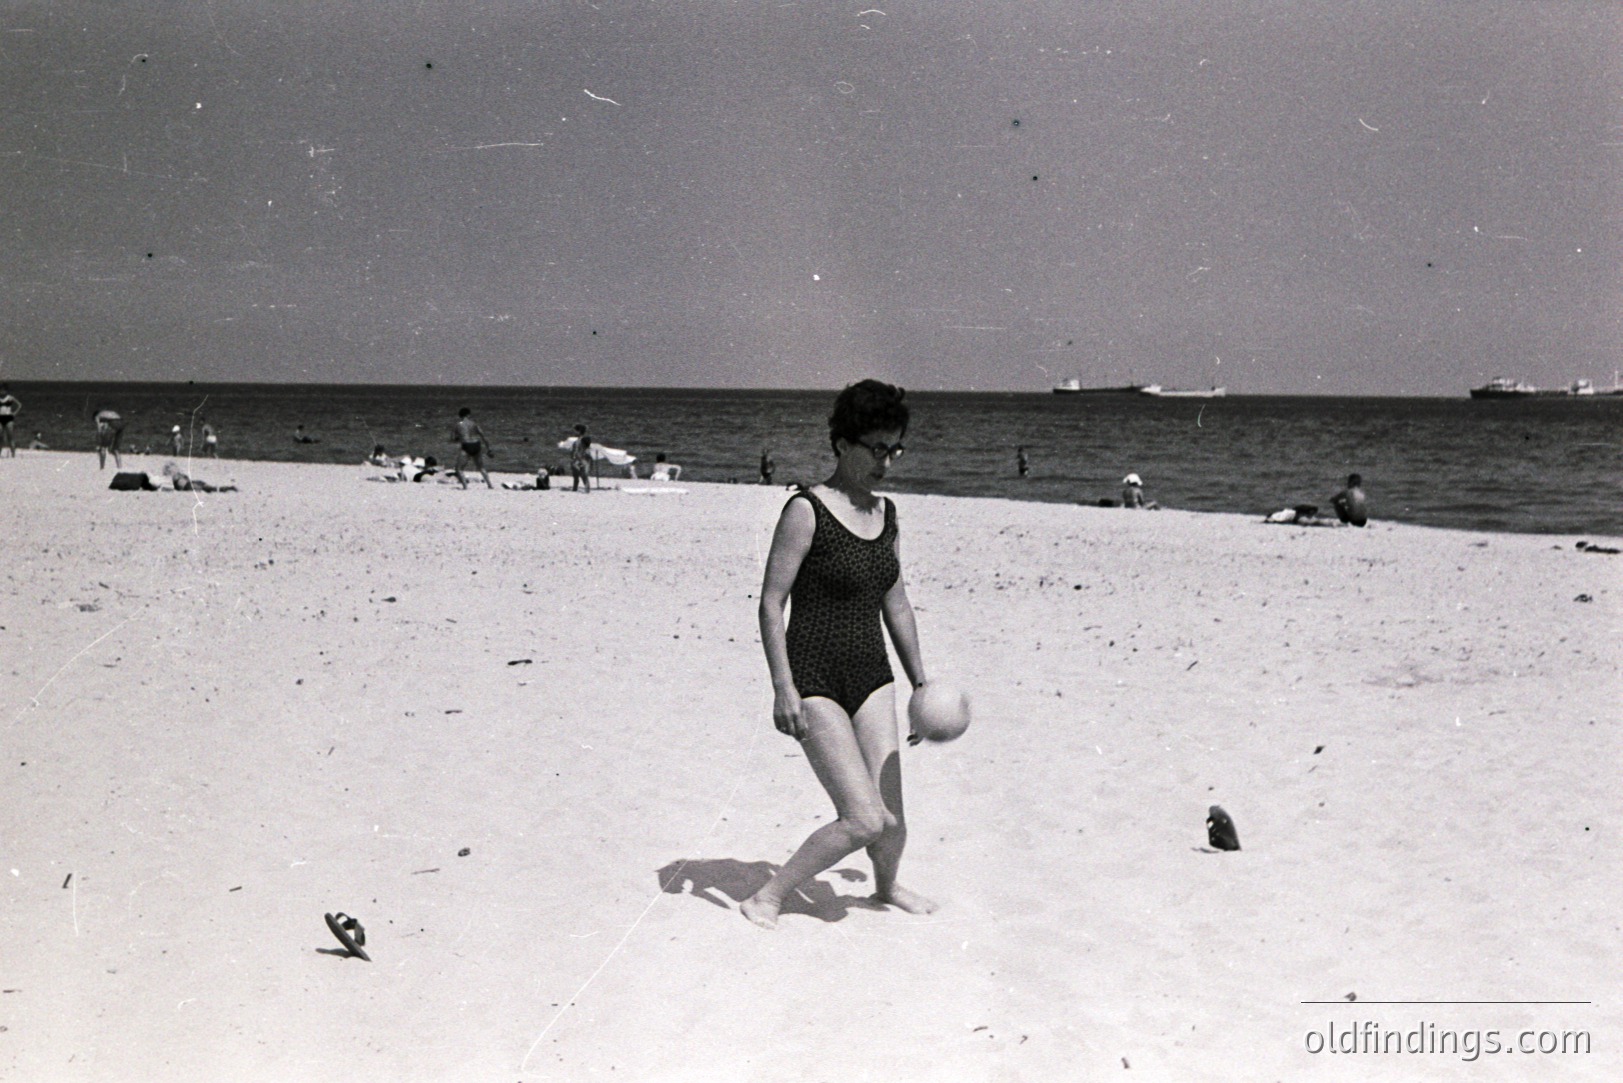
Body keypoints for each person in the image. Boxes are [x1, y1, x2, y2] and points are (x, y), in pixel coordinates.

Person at [741, 379, 937, 930]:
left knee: (892, 821)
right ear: (842, 443)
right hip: (814, 677)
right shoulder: (806, 511)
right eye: (876, 448)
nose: (887, 462)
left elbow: (896, 604)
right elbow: (770, 602)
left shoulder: (887, 515)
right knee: (862, 818)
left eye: (894, 449)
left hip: (872, 676)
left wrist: (921, 684)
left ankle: (886, 886)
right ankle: (768, 896)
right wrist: (783, 686)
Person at [452, 407, 493, 490]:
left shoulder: (458, 425)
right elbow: (483, 436)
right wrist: (489, 449)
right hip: (476, 445)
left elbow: (453, 438)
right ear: (468, 415)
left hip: (467, 446)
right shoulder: (474, 424)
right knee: (481, 467)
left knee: (459, 469)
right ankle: (490, 485)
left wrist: (459, 438)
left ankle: (465, 487)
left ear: (460, 416)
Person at [570, 424, 593, 492]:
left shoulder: (578, 441)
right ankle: (585, 489)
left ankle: (576, 488)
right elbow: (587, 450)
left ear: (579, 431)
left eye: (576, 431)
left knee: (579, 474)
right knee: (582, 474)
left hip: (579, 459)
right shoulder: (585, 440)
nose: (574, 432)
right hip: (583, 459)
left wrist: (574, 457)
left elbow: (576, 451)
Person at [0, 384, 20, 457]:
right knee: (0, 436)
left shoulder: (10, 398)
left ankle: (13, 454)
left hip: (8, 418)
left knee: (10, 436)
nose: (2, 392)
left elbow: (19, 405)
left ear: (6, 391)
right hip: (0, 417)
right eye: (1, 390)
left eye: (3, 390)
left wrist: (14, 413)